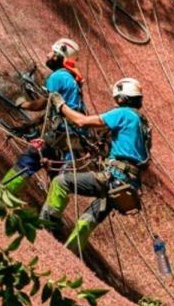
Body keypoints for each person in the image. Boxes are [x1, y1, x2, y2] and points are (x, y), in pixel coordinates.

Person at [39, 78, 150, 253]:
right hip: (127, 185)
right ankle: (71, 254)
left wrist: (60, 106)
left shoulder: (124, 114)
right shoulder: (143, 125)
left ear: (122, 98)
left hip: (112, 178)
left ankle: (45, 227)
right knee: (88, 218)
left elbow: (81, 121)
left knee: (60, 182)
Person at [1, 38, 87, 196]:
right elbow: (55, 111)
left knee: (29, 159)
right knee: (59, 180)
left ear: (58, 56)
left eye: (51, 52)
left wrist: (23, 104)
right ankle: (49, 218)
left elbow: (44, 103)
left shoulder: (58, 76)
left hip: (60, 136)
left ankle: (3, 195)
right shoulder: (73, 81)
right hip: (72, 140)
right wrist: (30, 125)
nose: (47, 55)